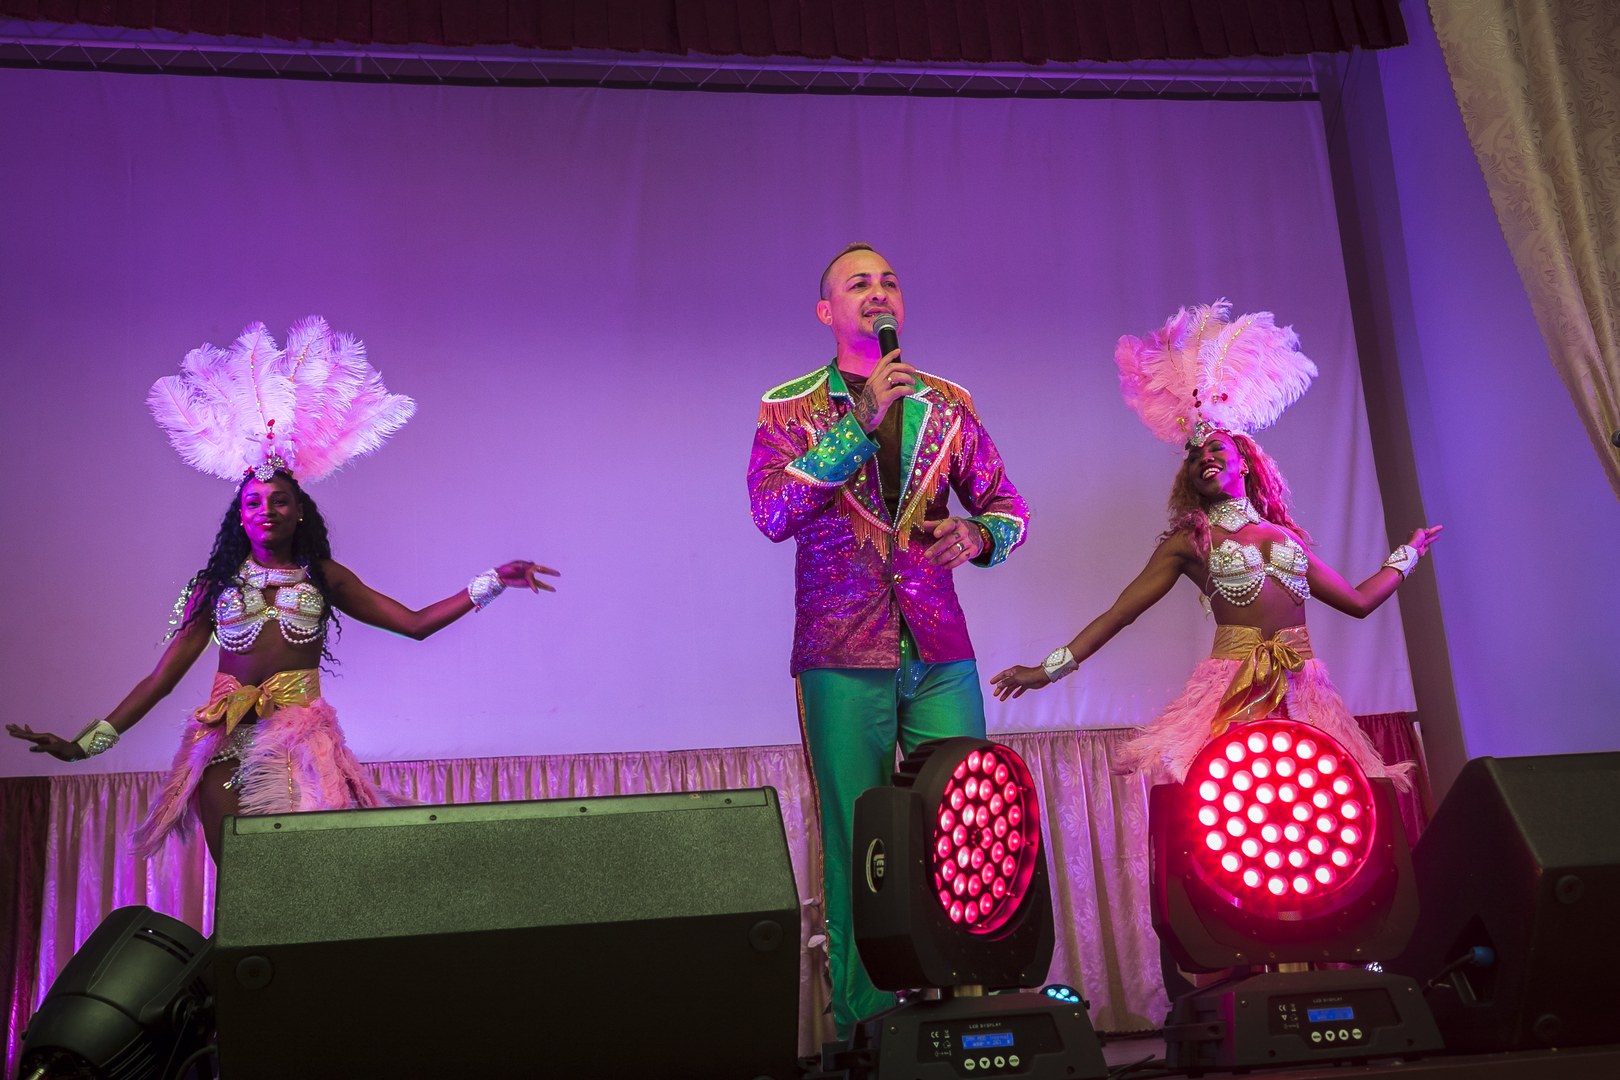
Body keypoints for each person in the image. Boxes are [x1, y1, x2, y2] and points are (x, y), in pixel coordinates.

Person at [7, 318, 558, 862]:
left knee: (297, 877)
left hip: (303, 743)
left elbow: (414, 624)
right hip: (223, 741)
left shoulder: (325, 576)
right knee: (239, 877)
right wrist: (85, 745)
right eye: (253, 502)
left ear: (299, 512)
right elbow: (161, 680)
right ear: (240, 517)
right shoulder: (214, 586)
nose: (265, 509)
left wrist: (492, 582)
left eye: (279, 501)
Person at [747, 243, 1030, 1039]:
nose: (878, 293)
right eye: (859, 284)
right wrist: (859, 422)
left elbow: (1009, 508)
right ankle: (865, 1029)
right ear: (826, 311)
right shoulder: (788, 407)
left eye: (890, 282)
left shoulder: (947, 402)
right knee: (858, 837)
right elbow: (772, 513)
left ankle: (966, 1004)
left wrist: (980, 536)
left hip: (939, 647)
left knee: (969, 820)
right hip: (842, 649)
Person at [990, 301, 1439, 794]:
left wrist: (1409, 555)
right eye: (1194, 456)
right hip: (1232, 690)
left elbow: (1357, 601)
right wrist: (1047, 671)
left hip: (1305, 691)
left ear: (1243, 461)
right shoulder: (1190, 542)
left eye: (1215, 449)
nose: (1203, 457)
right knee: (1239, 801)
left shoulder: (1284, 537)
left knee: (1316, 801)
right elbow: (1120, 614)